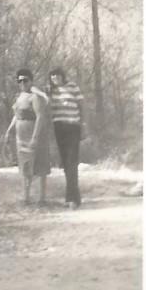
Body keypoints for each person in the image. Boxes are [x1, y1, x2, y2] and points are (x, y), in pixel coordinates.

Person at [5, 69, 51, 205]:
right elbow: (17, 116)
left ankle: (42, 198)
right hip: (21, 137)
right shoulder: (20, 97)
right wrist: (9, 131)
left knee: (40, 165)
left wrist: (35, 138)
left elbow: (40, 117)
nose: (23, 83)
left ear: (31, 81)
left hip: (34, 135)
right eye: (20, 80)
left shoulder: (35, 97)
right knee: (25, 167)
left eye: (25, 80)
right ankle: (26, 197)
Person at [48, 66, 84, 209]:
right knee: (65, 162)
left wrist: (84, 123)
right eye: (53, 76)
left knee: (72, 161)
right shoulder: (51, 90)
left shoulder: (73, 87)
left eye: (57, 76)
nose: (55, 78)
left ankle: (71, 199)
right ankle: (75, 196)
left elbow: (82, 105)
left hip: (73, 126)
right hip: (59, 128)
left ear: (63, 76)